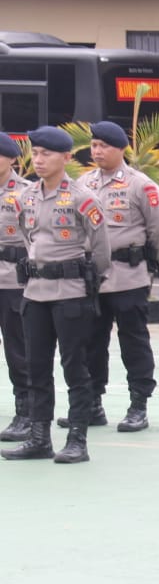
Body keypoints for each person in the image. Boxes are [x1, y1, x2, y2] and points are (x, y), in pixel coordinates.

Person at [1, 126, 110, 463]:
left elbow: (101, 249)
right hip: (34, 293)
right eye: (35, 153)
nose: (39, 159)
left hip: (70, 293)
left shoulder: (82, 198)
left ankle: (77, 440)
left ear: (65, 157)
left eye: (46, 154)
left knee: (74, 367)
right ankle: (39, 438)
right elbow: (27, 239)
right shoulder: (26, 197)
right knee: (36, 367)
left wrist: (88, 281)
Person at [69, 121, 159, 434]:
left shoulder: (141, 185)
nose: (97, 151)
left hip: (128, 275)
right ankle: (93, 403)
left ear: (121, 149)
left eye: (104, 146)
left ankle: (138, 404)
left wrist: (147, 260)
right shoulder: (84, 183)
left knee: (133, 340)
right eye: (94, 145)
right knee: (90, 340)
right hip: (92, 277)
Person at [0, 133, 32, 443]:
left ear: (12, 159)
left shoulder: (25, 192)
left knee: (18, 348)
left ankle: (26, 411)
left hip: (12, 279)